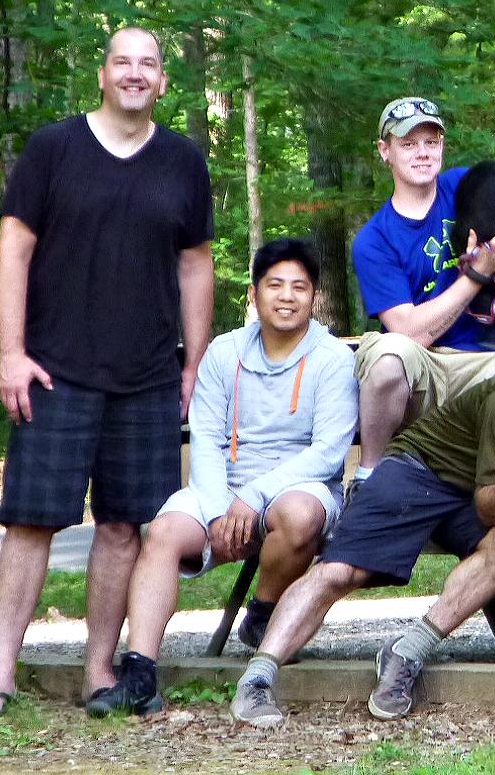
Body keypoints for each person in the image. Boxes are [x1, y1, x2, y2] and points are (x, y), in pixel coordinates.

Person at [0, 26, 214, 718]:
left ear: (163, 81)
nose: (135, 74)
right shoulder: (53, 150)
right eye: (123, 62)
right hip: (54, 369)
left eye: (149, 65)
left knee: (124, 528)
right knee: (30, 522)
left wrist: (194, 363)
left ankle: (99, 672)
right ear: (101, 75)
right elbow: (12, 253)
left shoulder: (183, 162)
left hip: (147, 376)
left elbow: (196, 266)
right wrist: (10, 353)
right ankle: (0, 675)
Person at [228, 323, 495, 727]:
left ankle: (407, 652)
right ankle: (259, 676)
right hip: (422, 468)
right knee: (341, 571)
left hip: (482, 492)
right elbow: (489, 507)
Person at [86, 238, 358, 717]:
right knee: (165, 530)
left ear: (314, 297)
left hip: (299, 487)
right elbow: (207, 438)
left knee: (297, 514)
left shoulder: (332, 358)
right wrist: (215, 509)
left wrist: (252, 498)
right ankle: (140, 672)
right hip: (224, 487)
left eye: (300, 287)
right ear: (254, 295)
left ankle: (263, 614)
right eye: (275, 285)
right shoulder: (223, 352)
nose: (287, 296)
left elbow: (328, 454)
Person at [349, 97, 495, 482]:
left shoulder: (464, 185)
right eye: (408, 144)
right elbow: (408, 331)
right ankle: (368, 476)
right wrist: (476, 275)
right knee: (389, 352)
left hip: (484, 361)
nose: (422, 153)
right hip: (421, 370)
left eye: (431, 142)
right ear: (384, 151)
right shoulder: (373, 240)